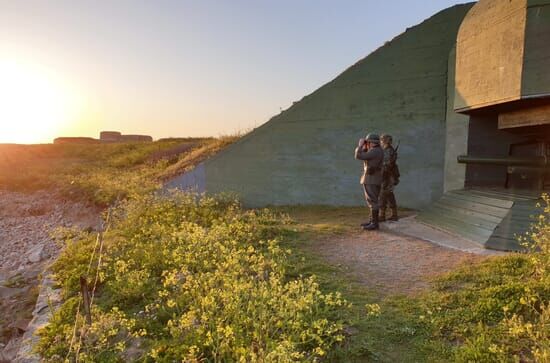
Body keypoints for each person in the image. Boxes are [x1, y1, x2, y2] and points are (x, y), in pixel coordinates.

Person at [355, 133, 384, 230]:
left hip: (371, 179)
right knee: (372, 200)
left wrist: (359, 145)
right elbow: (365, 155)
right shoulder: (376, 150)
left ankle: (374, 224)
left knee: (372, 201)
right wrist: (365, 146)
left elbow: (358, 155)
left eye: (368, 142)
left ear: (371, 142)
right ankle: (372, 221)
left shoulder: (375, 151)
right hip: (372, 178)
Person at [379, 134, 399, 222]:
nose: (381, 142)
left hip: (387, 176)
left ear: (385, 141)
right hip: (389, 176)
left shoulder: (388, 151)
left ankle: (382, 215)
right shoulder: (389, 150)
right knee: (389, 195)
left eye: (382, 140)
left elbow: (386, 165)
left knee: (383, 195)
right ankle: (394, 214)